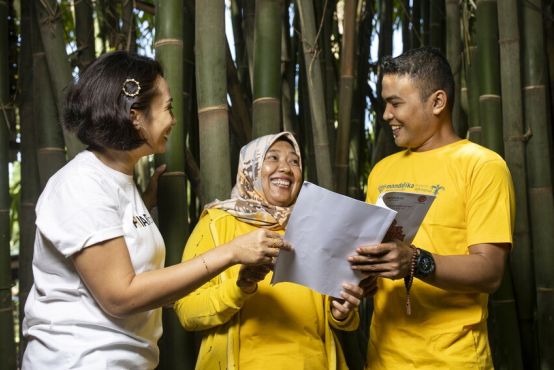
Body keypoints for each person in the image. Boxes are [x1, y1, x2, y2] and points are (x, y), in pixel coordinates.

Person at [21, 51, 290, 370]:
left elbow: (113, 239)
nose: (173, 120)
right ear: (135, 116)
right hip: (80, 361)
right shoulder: (81, 183)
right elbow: (120, 295)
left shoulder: (120, 182)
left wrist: (145, 204)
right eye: (168, 108)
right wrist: (231, 252)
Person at [348, 47, 515, 369]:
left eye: (396, 103)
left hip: (453, 360)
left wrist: (415, 261)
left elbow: (491, 272)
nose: (385, 115)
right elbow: (378, 260)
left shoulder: (482, 167)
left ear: (437, 102)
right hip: (382, 359)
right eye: (385, 103)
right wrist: (362, 278)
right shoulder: (382, 171)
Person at [174, 132, 364, 370]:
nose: (285, 168)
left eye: (294, 161)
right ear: (250, 167)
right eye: (273, 158)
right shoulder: (215, 223)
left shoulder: (317, 226)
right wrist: (239, 288)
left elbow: (335, 317)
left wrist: (341, 312)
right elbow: (187, 311)